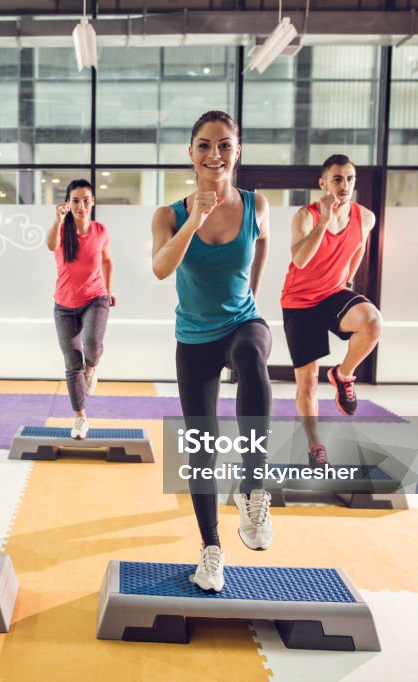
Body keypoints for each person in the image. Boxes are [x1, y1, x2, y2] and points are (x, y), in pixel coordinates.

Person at [151, 110, 273, 593]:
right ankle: (211, 551)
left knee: (252, 360)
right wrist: (195, 219)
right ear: (191, 153)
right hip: (195, 337)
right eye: (204, 145)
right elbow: (161, 269)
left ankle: (253, 488)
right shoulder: (168, 215)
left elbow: (262, 244)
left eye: (224, 145)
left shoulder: (256, 204)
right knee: (201, 450)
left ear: (237, 150)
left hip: (243, 322)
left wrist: (253, 295)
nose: (214, 154)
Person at [281, 154, 382, 467]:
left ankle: (343, 374)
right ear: (323, 183)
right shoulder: (306, 216)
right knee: (307, 382)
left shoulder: (365, 216)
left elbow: (360, 245)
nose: (345, 185)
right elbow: (300, 260)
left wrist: (347, 278)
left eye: (350, 178)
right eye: (338, 179)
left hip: (332, 294)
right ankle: (314, 444)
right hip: (299, 302)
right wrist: (324, 221)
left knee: (372, 323)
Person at [46, 179, 115, 439]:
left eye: (86, 200)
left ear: (93, 202)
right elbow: (50, 245)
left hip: (95, 297)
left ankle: (92, 369)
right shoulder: (61, 231)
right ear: (68, 203)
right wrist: (57, 219)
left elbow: (107, 261)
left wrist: (109, 290)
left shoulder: (101, 231)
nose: (81, 205)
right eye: (76, 200)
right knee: (71, 362)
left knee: (93, 344)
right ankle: (80, 419)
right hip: (63, 305)